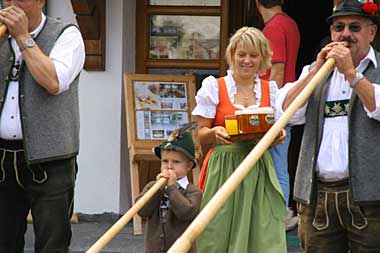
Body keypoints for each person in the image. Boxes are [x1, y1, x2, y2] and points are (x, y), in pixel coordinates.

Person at [277, 0, 380, 252]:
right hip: (317, 197)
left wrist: (352, 74)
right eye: (338, 28)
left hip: (369, 199)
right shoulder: (315, 71)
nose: (345, 34)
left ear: (372, 32)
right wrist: (315, 71)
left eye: (354, 27)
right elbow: (285, 113)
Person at [0, 0, 85, 252]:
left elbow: (54, 81)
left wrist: (24, 37)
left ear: (40, 1)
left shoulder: (66, 34)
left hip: (51, 160)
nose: (12, 4)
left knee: (52, 243)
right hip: (3, 158)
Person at [193, 26, 287, 253]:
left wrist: (278, 136)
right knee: (217, 234)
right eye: (241, 54)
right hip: (223, 168)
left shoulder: (270, 89)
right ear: (232, 55)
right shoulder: (214, 86)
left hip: (258, 169)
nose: (247, 60)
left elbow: (273, 131)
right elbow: (200, 133)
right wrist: (215, 132)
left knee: (262, 236)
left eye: (253, 55)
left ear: (263, 58)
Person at [256, 0, 301, 230]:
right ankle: (280, 213)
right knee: (278, 162)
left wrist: (267, 109)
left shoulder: (273, 27)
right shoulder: (290, 23)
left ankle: (280, 216)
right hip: (286, 104)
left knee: (275, 163)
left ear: (256, 4)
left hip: (275, 108)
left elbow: (278, 70)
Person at [137, 130, 202, 253]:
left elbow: (186, 213)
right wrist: (157, 189)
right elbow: (141, 210)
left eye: (176, 162)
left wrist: (172, 188)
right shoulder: (153, 187)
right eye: (165, 161)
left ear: (188, 166)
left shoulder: (193, 192)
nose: (169, 166)